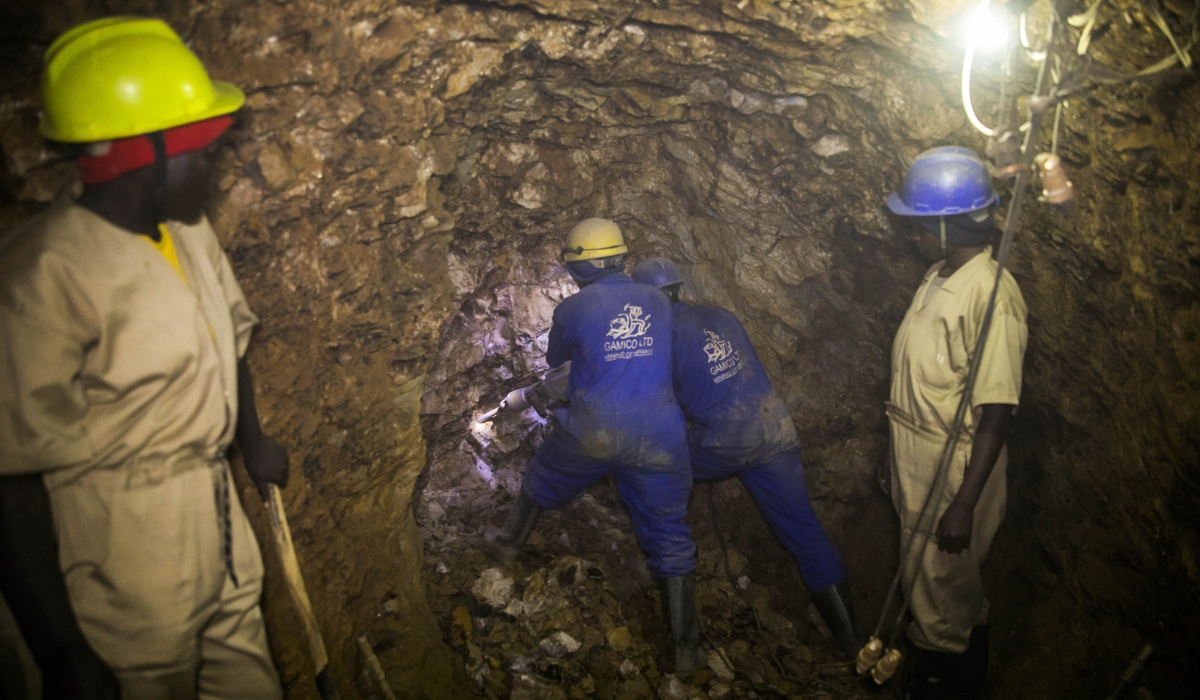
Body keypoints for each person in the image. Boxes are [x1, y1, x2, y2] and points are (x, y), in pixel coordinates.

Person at [0, 18, 286, 699]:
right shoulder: (41, 274)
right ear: (145, 155)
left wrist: (252, 440)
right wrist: (62, 649)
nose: (211, 169)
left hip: (216, 520)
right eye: (201, 154)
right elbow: (9, 482)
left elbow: (230, 341)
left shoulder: (189, 232)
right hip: (119, 552)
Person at [484, 219, 703, 677]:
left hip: (594, 432)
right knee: (670, 532)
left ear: (578, 266)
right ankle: (686, 649)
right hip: (660, 435)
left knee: (541, 478)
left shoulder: (573, 308)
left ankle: (507, 545)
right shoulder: (660, 303)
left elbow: (558, 364)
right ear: (622, 258)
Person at [631, 258, 865, 660]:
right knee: (806, 533)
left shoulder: (662, 336)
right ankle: (854, 643)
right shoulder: (717, 313)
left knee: (648, 468)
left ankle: (681, 629)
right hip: (774, 427)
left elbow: (651, 400)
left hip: (728, 441)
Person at [881, 146, 1028, 699]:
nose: (912, 235)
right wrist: (892, 451)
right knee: (945, 585)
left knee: (938, 591)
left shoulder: (992, 296)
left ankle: (940, 684)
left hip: (954, 462)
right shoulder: (939, 273)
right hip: (916, 451)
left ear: (950, 224)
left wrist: (964, 503)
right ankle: (966, 671)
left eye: (921, 225)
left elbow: (995, 411)